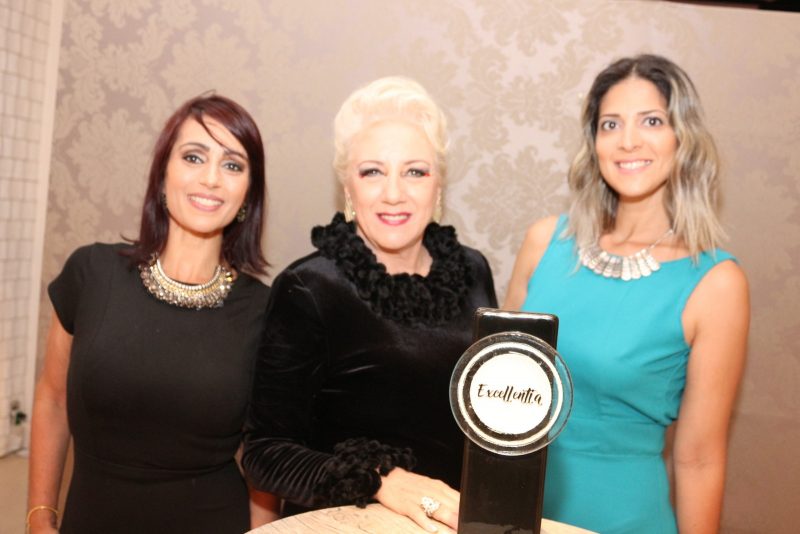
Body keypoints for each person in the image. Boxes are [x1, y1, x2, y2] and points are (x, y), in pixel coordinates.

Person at [505, 54, 749, 533]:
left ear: (683, 138)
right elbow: (494, 396)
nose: (628, 140)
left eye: (652, 121)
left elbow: (699, 459)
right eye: (610, 124)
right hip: (512, 513)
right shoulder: (543, 242)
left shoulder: (716, 283)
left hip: (623, 520)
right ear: (594, 142)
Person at [242, 76, 497, 532]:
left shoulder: (472, 270)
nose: (394, 193)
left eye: (415, 171)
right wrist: (381, 479)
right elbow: (266, 455)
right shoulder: (309, 287)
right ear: (348, 186)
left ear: (438, 184)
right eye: (372, 172)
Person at [27, 95, 280, 533]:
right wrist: (39, 516)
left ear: (247, 195)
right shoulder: (91, 273)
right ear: (163, 175)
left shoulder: (264, 310)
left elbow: (263, 450)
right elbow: (53, 398)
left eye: (232, 165)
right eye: (194, 157)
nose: (211, 178)